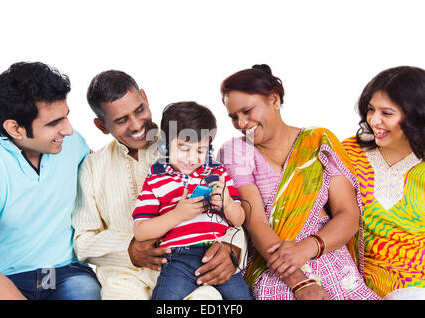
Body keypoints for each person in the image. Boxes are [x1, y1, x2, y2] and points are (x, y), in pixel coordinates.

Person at [72, 70, 247, 299]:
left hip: (196, 270)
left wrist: (232, 247)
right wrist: (129, 249)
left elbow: (227, 208)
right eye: (121, 120)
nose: (136, 125)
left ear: (145, 97)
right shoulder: (92, 168)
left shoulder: (188, 145)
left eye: (139, 110)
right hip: (124, 278)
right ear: (102, 126)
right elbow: (83, 242)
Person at [217, 64, 380, 300]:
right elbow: (256, 222)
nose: (242, 123)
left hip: (327, 253)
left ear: (274, 99)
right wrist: (300, 283)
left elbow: (348, 214)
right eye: (234, 117)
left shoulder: (318, 141)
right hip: (275, 263)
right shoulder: (236, 152)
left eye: (247, 111)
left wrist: (307, 248)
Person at [0, 62, 101, 300]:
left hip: (60, 273)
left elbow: (108, 184)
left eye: (66, 117)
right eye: (54, 123)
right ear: (15, 128)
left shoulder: (72, 145)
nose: (68, 130)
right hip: (7, 279)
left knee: (85, 292)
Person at [132, 101, 253, 300]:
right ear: (165, 146)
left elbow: (239, 219)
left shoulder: (217, 172)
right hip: (178, 258)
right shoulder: (156, 178)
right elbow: (141, 230)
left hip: (218, 253)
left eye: (200, 150)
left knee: (242, 298)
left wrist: (227, 203)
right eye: (183, 148)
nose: (191, 158)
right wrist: (178, 214)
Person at [342, 66, 425, 299]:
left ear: (417, 115)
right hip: (356, 277)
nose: (373, 120)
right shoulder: (348, 153)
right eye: (370, 110)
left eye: (386, 113)